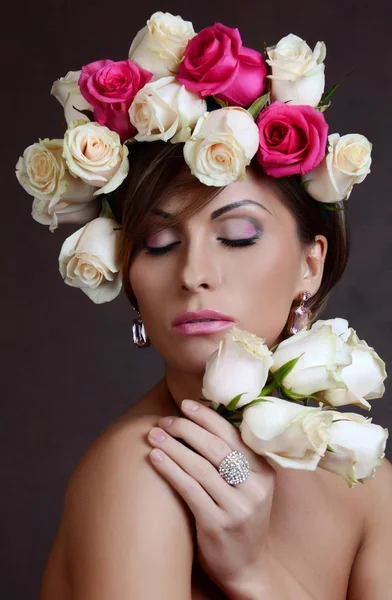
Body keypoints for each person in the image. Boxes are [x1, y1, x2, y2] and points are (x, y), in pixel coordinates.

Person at [15, 12, 391, 599]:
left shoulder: (371, 486)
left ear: (309, 265)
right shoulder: (140, 474)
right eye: (159, 244)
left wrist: (254, 575)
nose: (193, 274)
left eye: (237, 235)